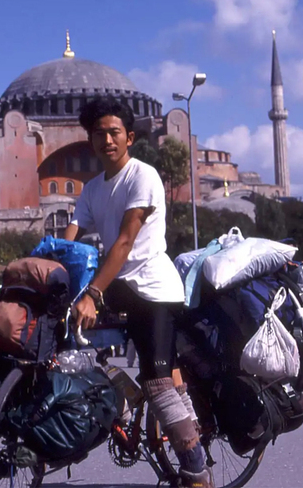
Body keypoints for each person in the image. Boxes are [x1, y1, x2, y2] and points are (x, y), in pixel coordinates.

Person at [64, 97, 212, 488]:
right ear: (90, 140)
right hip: (121, 288)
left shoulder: (142, 176)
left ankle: (198, 471)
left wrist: (93, 293)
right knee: (70, 346)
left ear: (129, 137)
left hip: (154, 292)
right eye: (99, 134)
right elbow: (73, 235)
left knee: (159, 381)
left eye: (114, 132)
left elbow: (125, 242)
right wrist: (54, 267)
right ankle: (124, 400)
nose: (107, 140)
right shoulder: (93, 188)